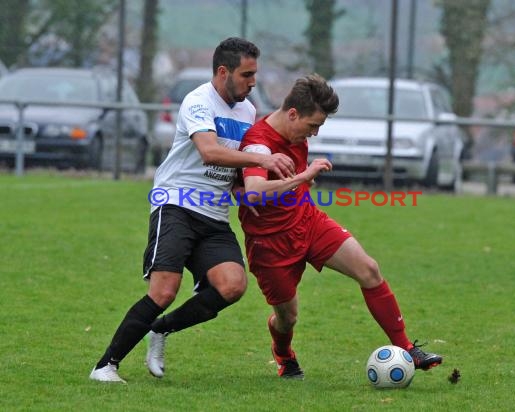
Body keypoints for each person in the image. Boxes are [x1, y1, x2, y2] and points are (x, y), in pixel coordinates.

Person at [89, 37, 295, 383]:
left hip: (214, 214)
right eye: (246, 74)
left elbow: (230, 167)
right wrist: (264, 158)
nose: (253, 82)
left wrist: (246, 191)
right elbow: (210, 152)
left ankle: (161, 329)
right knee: (164, 291)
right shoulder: (198, 101)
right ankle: (105, 366)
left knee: (232, 285)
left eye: (255, 74)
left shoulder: (246, 111)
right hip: (176, 204)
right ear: (222, 72)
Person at [237, 74, 443, 379]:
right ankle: (283, 353)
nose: (315, 134)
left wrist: (300, 182)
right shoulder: (258, 142)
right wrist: (301, 178)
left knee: (369, 270)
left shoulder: (296, 133)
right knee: (287, 318)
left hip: (308, 221)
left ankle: (406, 348)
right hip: (271, 242)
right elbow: (254, 191)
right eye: (312, 126)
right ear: (293, 113)